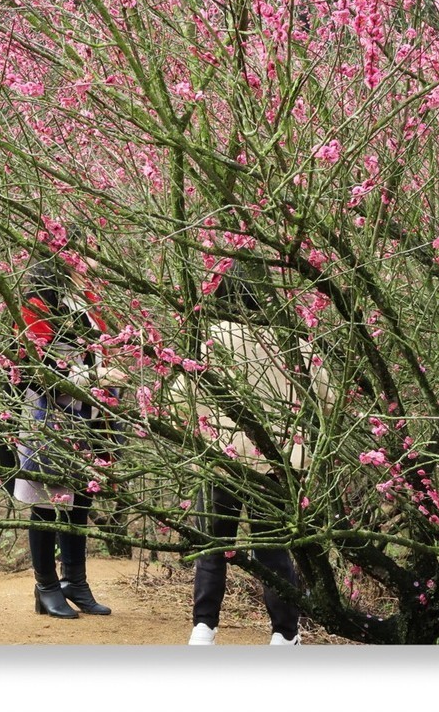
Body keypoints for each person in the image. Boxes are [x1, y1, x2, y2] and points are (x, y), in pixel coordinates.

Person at [177, 264, 335, 645]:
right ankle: (284, 634)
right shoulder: (290, 339)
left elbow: (182, 395)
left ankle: (203, 628)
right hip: (276, 464)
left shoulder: (212, 339)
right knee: (273, 552)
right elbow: (328, 395)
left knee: (214, 546)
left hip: (223, 458)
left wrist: (208, 427)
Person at [11, 234, 128, 619]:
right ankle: (45, 585)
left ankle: (75, 580)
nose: (93, 261)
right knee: (48, 500)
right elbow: (35, 369)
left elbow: (105, 347)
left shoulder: (91, 298)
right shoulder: (38, 302)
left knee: (82, 497)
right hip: (53, 414)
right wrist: (93, 376)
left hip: (94, 414)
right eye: (85, 254)